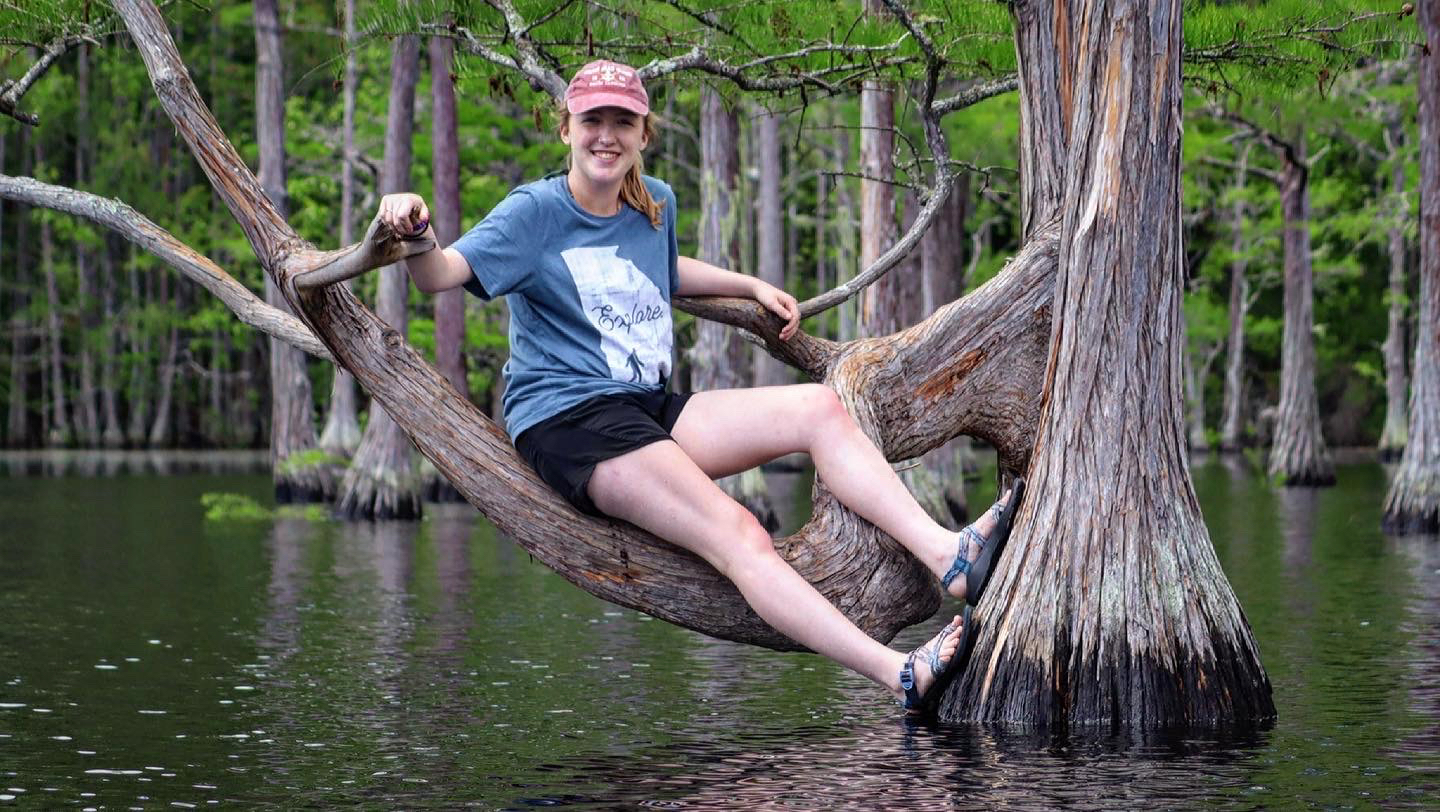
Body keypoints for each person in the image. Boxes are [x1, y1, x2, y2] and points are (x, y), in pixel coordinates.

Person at [375, 59, 1024, 714]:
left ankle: (949, 555)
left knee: (820, 407)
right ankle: (901, 673)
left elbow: (657, 269)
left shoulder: (651, 202)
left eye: (621, 121)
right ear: (565, 129)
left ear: (644, 132)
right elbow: (441, 275)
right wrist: (414, 229)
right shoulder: (534, 213)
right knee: (739, 532)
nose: (607, 135)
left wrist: (746, 285)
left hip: (644, 404)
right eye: (591, 120)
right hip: (569, 420)